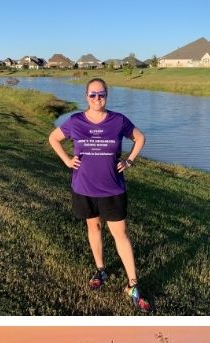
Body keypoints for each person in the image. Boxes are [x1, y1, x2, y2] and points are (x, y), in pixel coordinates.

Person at [48, 78, 151, 313]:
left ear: (106, 96)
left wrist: (129, 161)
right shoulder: (75, 121)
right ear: (86, 96)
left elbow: (140, 137)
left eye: (101, 94)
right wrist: (66, 160)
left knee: (120, 234)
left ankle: (132, 285)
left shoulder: (118, 121)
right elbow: (54, 138)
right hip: (83, 187)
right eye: (93, 95)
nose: (97, 99)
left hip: (113, 188)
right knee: (93, 228)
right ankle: (101, 270)